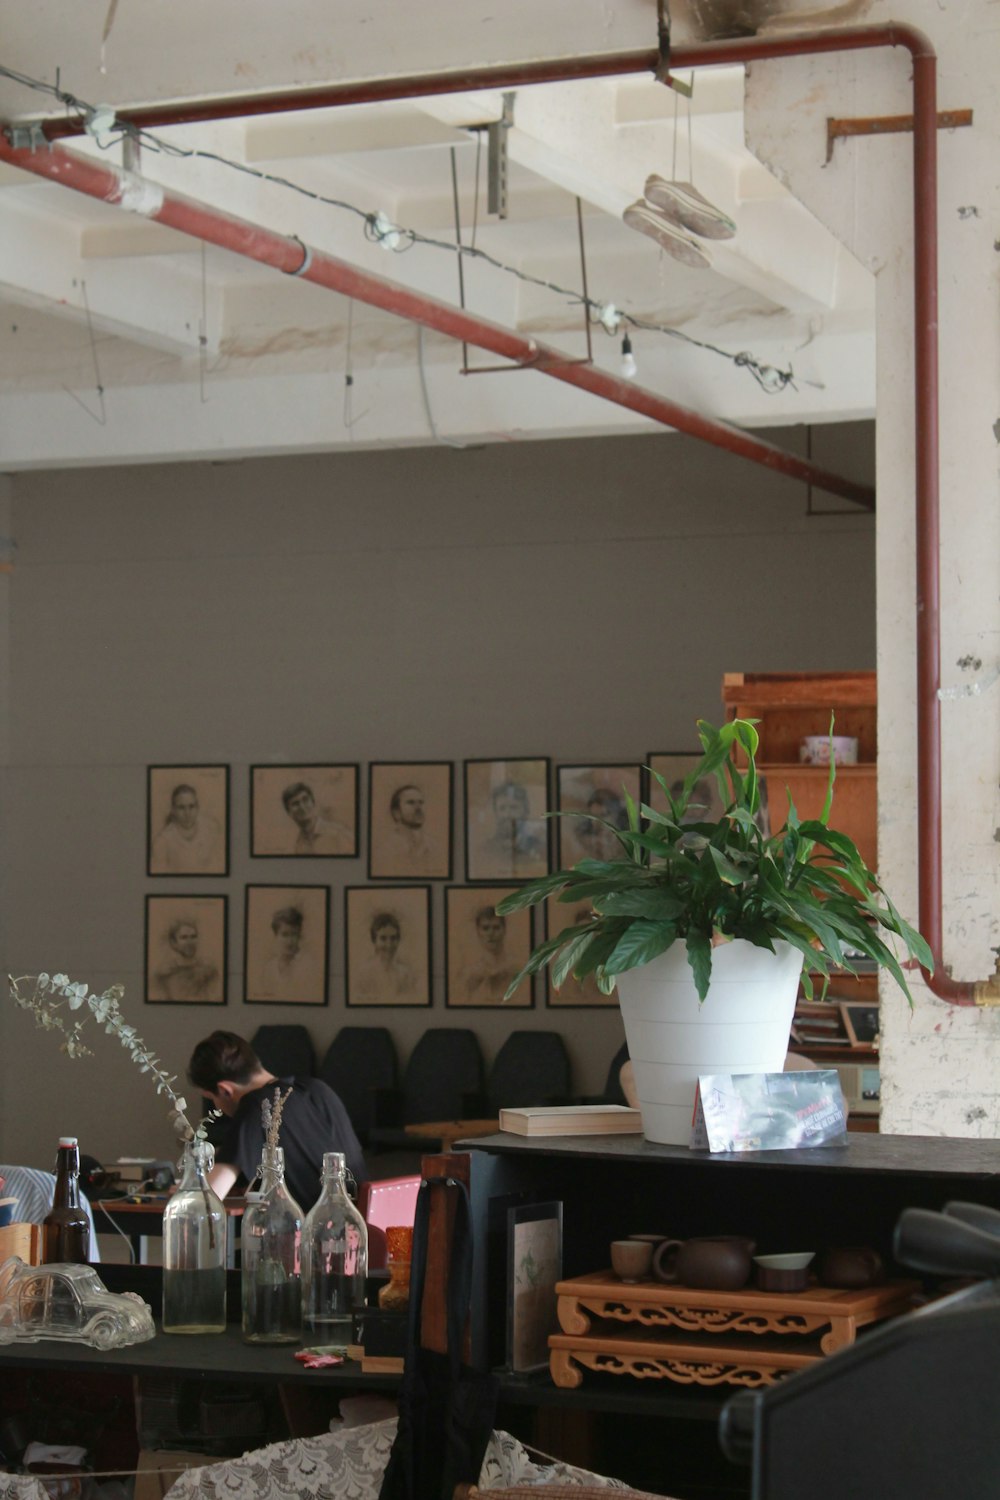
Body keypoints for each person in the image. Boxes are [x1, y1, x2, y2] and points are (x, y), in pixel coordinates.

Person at [187, 1032, 365, 1212]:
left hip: (316, 1232)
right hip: (364, 1227)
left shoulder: (257, 1107)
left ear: (225, 1090)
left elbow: (207, 1199)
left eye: (211, 1098)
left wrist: (184, 1192)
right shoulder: (317, 1089)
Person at [476, 780, 547, 878]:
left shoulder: (540, 849)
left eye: (514, 807)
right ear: (496, 813)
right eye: (502, 808)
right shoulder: (485, 851)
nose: (507, 814)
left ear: (525, 811)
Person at [151, 783, 223, 873]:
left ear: (197, 807)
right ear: (173, 810)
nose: (187, 813)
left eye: (191, 806)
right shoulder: (162, 842)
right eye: (181, 807)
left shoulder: (211, 830)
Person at [257, 905, 322, 1002]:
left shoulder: (309, 965)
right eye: (285, 935)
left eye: (294, 934)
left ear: (299, 936)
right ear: (276, 936)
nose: (290, 941)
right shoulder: (269, 968)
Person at [457, 904, 519, 1002]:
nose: (491, 933)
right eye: (485, 928)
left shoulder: (516, 968)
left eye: (496, 928)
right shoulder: (470, 974)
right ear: (478, 931)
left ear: (504, 930)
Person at [151, 916, 220, 1002]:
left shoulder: (209, 970)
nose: (190, 942)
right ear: (173, 943)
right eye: (184, 937)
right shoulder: (164, 974)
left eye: (193, 936)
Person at [353, 910, 417, 1002]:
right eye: (383, 938)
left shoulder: (405, 974)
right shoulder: (363, 974)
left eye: (393, 938)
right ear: (374, 941)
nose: (389, 944)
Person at [382, 783, 444, 875]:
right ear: (396, 812)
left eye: (421, 802)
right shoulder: (387, 850)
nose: (418, 808)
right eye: (411, 802)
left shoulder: (434, 847)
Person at [281, 781, 353, 856]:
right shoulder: (299, 844)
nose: (302, 807)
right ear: (289, 812)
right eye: (295, 804)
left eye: (305, 800)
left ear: (313, 802)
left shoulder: (338, 833)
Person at [574, 788, 629, 862]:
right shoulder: (586, 840)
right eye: (592, 817)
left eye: (603, 815)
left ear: (615, 814)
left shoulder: (626, 842)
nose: (596, 822)